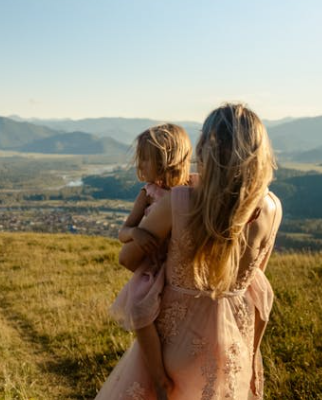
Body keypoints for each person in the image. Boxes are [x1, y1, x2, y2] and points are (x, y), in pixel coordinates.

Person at [95, 104, 282, 400]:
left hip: (175, 345)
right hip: (236, 343)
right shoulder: (272, 207)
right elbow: (256, 281)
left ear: (206, 150)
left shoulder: (179, 201)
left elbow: (127, 259)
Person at [110, 123, 192, 398]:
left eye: (145, 157)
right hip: (154, 267)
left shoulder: (190, 192)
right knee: (139, 306)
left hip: (181, 267)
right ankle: (158, 375)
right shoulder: (147, 194)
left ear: (166, 160)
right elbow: (123, 232)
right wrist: (136, 232)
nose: (139, 163)